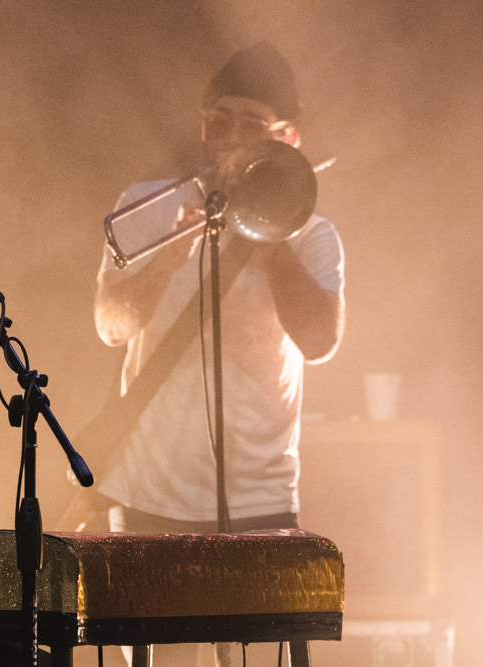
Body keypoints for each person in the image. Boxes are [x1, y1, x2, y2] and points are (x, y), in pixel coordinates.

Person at [92, 42, 345, 664]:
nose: (228, 138)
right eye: (218, 120)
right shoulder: (152, 204)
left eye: (251, 125)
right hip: (150, 494)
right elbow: (110, 326)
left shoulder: (312, 232)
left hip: (261, 500)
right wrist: (170, 255)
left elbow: (319, 342)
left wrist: (269, 228)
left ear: (288, 139)